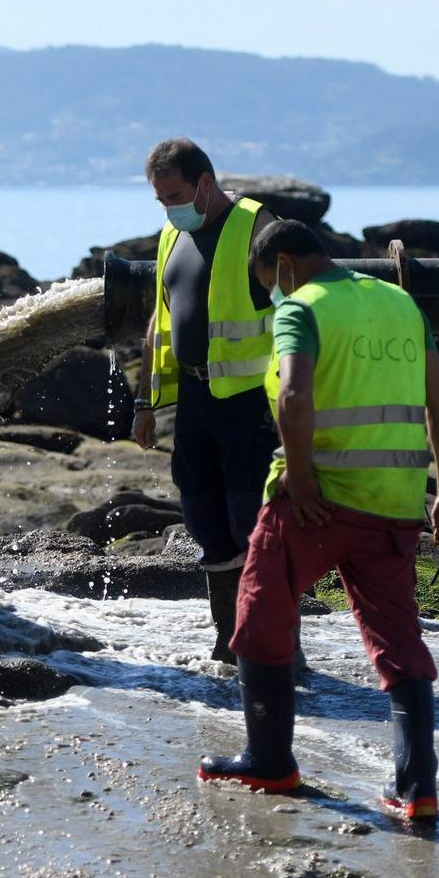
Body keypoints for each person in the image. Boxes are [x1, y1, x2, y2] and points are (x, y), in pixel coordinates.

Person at [199, 219, 439, 822]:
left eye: (267, 280)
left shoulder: (301, 308)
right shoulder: (401, 304)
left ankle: (268, 761)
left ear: (286, 266)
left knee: (261, 612)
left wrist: (300, 477)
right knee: (397, 638)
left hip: (315, 502)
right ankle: (416, 789)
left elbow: (294, 399)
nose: (272, 292)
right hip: (395, 502)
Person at [130, 137, 279, 662]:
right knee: (205, 522)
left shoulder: (257, 226)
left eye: (175, 195)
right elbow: (159, 321)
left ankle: (273, 645)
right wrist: (145, 403)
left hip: (248, 405)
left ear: (205, 183)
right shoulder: (173, 234)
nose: (169, 207)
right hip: (194, 401)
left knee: (251, 525)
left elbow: (294, 316)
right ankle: (228, 641)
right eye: (160, 199)